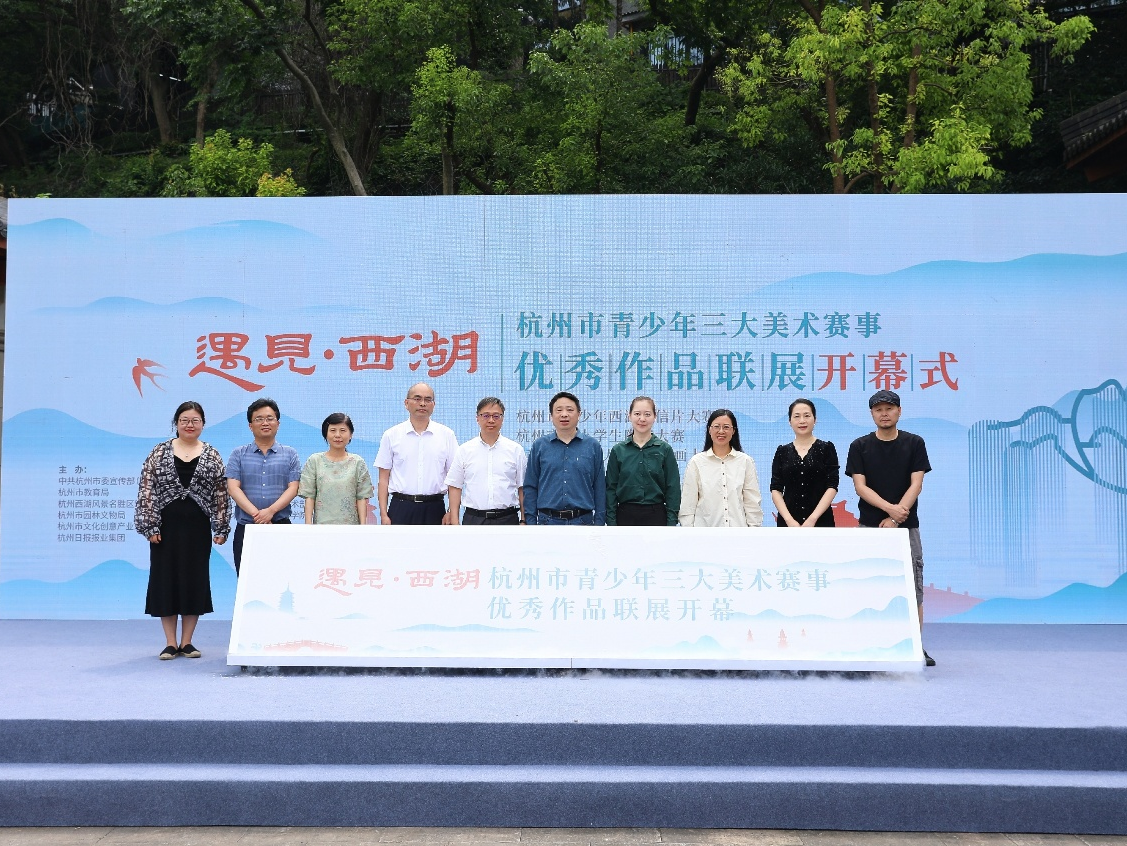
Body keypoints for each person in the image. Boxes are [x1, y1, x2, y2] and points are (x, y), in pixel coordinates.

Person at [845, 389, 935, 666]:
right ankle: (869, 646)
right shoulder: (859, 446)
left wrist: (896, 519)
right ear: (872, 414)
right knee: (868, 588)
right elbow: (860, 487)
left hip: (907, 528)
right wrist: (889, 509)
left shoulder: (914, 443)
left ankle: (915, 647)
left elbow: (916, 484)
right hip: (869, 528)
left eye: (889, 408)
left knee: (913, 587)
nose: (884, 414)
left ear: (899, 411)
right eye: (878, 410)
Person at [134, 401, 230, 660]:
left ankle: (187, 642)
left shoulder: (212, 454)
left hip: (198, 528)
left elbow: (221, 493)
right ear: (176, 423)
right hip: (164, 529)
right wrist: (149, 525)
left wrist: (221, 526)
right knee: (165, 580)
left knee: (194, 580)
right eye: (184, 420)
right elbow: (147, 489)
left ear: (203, 424)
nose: (190, 425)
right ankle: (170, 642)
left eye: (195, 420)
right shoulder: (159, 452)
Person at [226, 398, 301, 575]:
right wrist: (258, 515)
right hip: (247, 527)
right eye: (259, 419)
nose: (265, 423)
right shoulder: (238, 454)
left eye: (269, 418)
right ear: (250, 426)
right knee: (247, 580)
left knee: (284, 579)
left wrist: (270, 511)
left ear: (278, 423)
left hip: (281, 526)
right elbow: (233, 488)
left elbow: (293, 487)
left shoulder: (290, 454)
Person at [375, 382, 459, 525]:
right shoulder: (391, 435)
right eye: (417, 398)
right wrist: (383, 513)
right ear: (406, 403)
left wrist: (451, 511)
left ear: (433, 405)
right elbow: (383, 479)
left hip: (435, 507)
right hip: (400, 507)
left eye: (428, 400)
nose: (422, 404)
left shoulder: (446, 435)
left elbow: (454, 478)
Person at [524, 391, 606, 525]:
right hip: (547, 522)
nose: (564, 414)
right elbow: (531, 486)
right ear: (551, 416)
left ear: (579, 414)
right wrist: (531, 523)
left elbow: (600, 487)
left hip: (583, 522)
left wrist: (599, 524)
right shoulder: (540, 446)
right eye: (559, 410)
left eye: (570, 410)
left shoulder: (592, 446)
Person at [446, 397, 527, 525]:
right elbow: (455, 486)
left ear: (502, 419)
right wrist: (455, 522)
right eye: (486, 415)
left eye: (496, 416)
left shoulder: (515, 450)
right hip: (474, 519)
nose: (491, 420)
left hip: (507, 519)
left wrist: (523, 519)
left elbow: (522, 488)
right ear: (477, 418)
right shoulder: (465, 450)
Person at [678, 409, 763, 527]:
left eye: (726, 427)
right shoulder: (696, 462)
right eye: (717, 426)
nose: (721, 431)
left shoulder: (745, 461)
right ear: (709, 430)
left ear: (733, 431)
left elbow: (752, 503)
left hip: (738, 533)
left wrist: (753, 530)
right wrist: (690, 532)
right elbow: (688, 505)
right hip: (705, 534)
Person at [605, 396, 680, 526]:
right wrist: (611, 521)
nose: (642, 419)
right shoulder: (618, 450)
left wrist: (671, 522)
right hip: (625, 515)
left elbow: (672, 488)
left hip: (656, 515)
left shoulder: (664, 449)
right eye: (637, 414)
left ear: (655, 417)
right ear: (629, 416)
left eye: (647, 414)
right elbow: (611, 488)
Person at [770, 398, 839, 528]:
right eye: (797, 416)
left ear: (815, 419)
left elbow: (832, 486)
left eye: (807, 416)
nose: (802, 421)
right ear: (790, 421)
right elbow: (776, 489)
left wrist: (813, 518)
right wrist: (789, 520)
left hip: (821, 521)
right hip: (788, 524)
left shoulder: (826, 448)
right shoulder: (782, 451)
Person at [299, 413, 374, 525]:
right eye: (333, 430)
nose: (338, 435)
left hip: (350, 527)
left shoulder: (358, 462)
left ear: (350, 434)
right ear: (326, 434)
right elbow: (309, 496)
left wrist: (363, 527)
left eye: (343, 431)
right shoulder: (315, 461)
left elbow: (361, 498)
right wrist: (308, 525)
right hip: (321, 527)